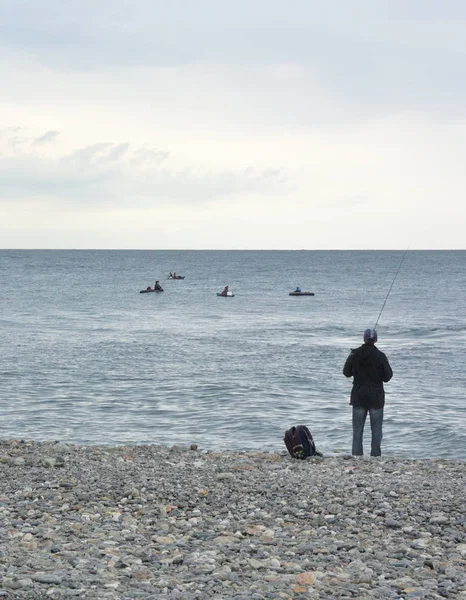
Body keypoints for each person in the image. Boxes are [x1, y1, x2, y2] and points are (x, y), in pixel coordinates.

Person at [343, 328, 393, 457]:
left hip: (359, 396)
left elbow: (346, 373)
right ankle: (375, 456)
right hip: (376, 397)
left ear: (364, 339)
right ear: (375, 340)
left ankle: (356, 456)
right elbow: (387, 377)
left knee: (357, 431)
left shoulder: (354, 354)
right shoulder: (381, 356)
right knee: (376, 431)